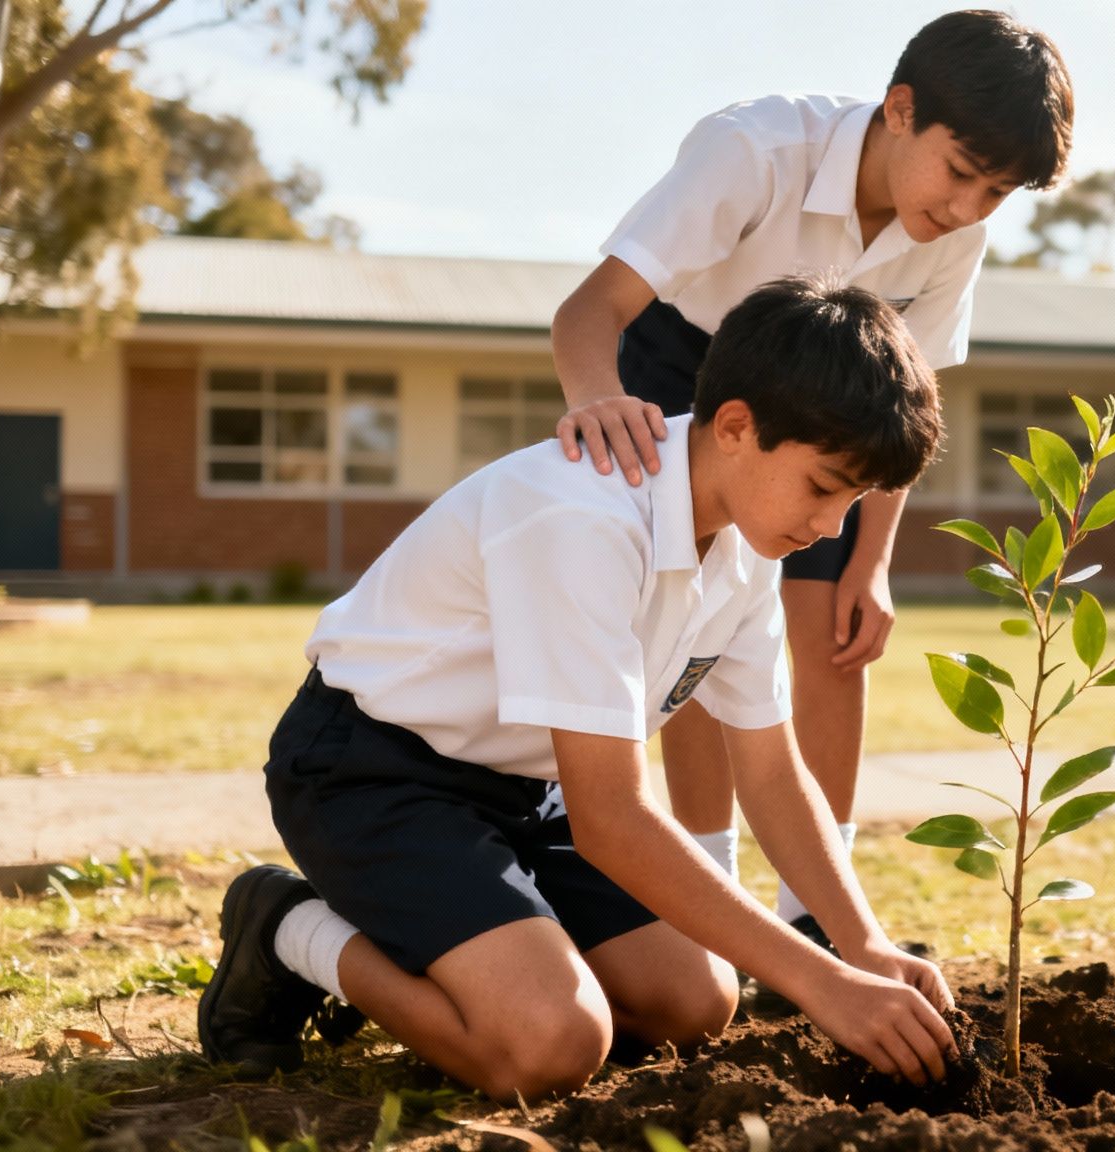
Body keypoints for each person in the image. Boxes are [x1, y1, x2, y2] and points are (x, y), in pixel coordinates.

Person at [198, 277, 954, 1099]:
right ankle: (286, 929)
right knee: (550, 1045)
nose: (831, 529)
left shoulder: (745, 549)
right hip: (373, 770)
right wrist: (821, 984)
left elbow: (772, 773)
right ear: (736, 426)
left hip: (528, 789)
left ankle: (473, 945)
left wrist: (865, 948)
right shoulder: (584, 516)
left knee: (696, 1001)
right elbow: (612, 819)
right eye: (823, 486)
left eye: (853, 501)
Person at [549, 10, 1073, 941]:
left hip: (839, 392)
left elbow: (902, 412)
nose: (965, 210)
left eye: (996, 194)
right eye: (960, 174)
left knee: (836, 630)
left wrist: (870, 565)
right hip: (687, 363)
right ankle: (703, 888)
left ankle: (816, 916)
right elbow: (590, 310)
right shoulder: (752, 149)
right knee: (696, 621)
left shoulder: (956, 234)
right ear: (901, 109)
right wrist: (597, 400)